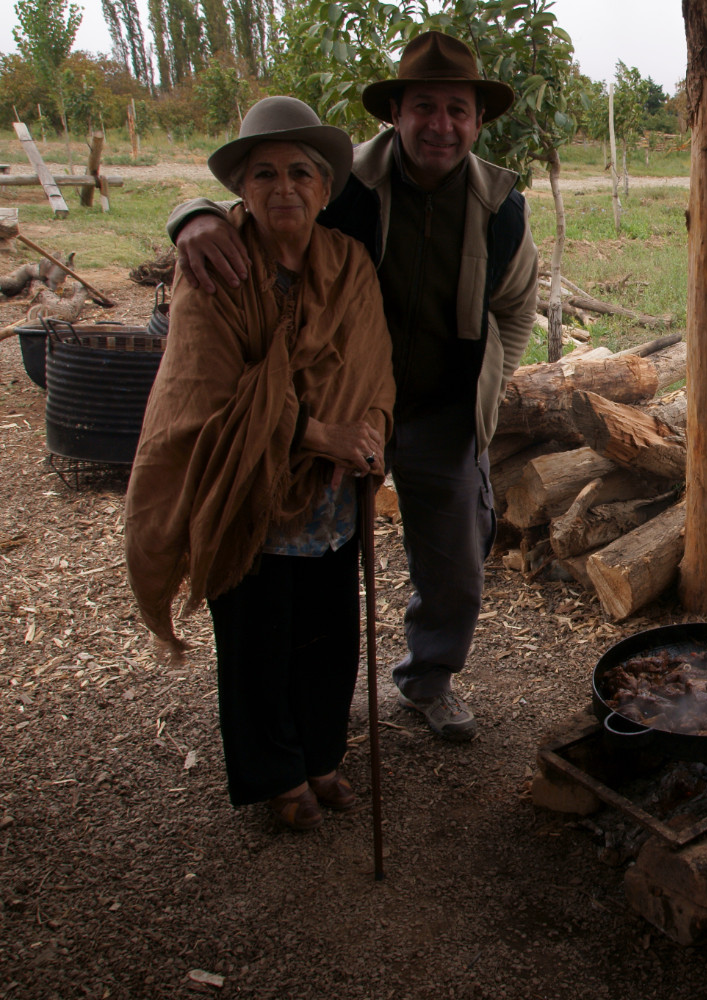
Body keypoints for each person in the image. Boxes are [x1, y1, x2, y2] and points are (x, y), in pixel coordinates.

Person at [168, 32, 541, 742]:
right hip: (335, 410)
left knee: (459, 566)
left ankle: (427, 681)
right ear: (394, 113)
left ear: (478, 121)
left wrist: (492, 381)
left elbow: (516, 302)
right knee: (311, 563)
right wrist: (190, 214)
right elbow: (262, 201)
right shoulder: (346, 186)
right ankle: (300, 728)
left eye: (458, 109)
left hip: (440, 412)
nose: (441, 124)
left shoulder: (501, 205)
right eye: (424, 106)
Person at [126, 96, 396, 830]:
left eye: (301, 173)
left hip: (334, 497)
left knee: (331, 634)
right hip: (245, 487)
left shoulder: (349, 264)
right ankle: (277, 775)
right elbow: (209, 395)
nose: (285, 188)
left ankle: (321, 756)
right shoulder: (214, 265)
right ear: (240, 188)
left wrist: (367, 432)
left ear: (324, 187)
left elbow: (374, 368)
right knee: (257, 640)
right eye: (266, 173)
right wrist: (318, 433)